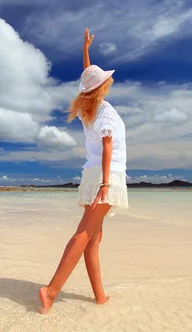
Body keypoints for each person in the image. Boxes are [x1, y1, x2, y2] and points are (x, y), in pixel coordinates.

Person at [39, 28, 128, 314]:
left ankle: (100, 297)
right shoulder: (106, 113)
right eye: (105, 81)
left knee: (93, 238)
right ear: (103, 87)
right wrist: (105, 184)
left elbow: (88, 76)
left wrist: (85, 49)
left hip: (92, 175)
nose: (108, 83)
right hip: (105, 176)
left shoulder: (87, 109)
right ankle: (50, 291)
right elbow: (107, 148)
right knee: (84, 234)